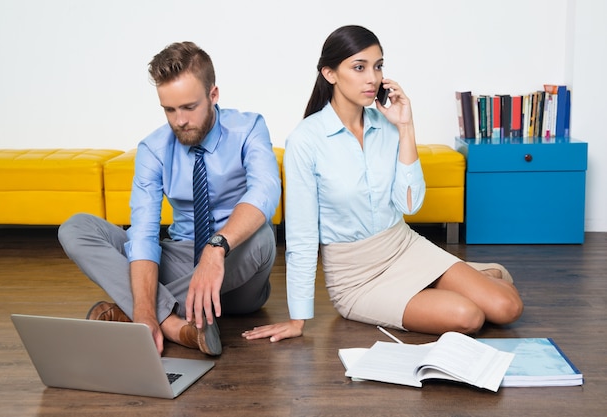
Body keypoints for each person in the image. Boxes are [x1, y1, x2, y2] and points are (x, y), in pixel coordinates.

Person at [242, 25, 523, 343]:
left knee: (508, 307)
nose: (372, 78)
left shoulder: (387, 126)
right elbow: (302, 236)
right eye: (359, 67)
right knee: (468, 317)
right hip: (358, 277)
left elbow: (409, 205)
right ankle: (464, 278)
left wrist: (405, 127)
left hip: (404, 246)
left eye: (378, 66)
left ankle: (452, 279)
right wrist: (297, 318)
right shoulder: (306, 140)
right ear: (330, 74)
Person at [59, 41, 281, 356]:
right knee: (76, 228)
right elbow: (145, 234)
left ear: (213, 95)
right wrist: (151, 312)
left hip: (236, 268)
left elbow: (266, 190)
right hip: (180, 258)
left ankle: (134, 311)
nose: (179, 121)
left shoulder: (249, 129)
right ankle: (171, 323)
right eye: (169, 109)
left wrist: (216, 249)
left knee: (262, 236)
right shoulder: (153, 149)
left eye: (189, 107)